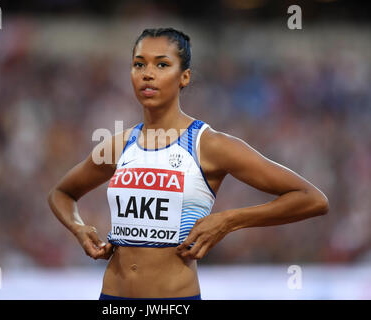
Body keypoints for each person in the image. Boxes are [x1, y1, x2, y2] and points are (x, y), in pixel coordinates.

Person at [47, 27, 329, 300]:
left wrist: (229, 220)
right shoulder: (118, 145)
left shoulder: (209, 145)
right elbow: (61, 194)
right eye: (138, 64)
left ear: (184, 77)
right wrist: (79, 228)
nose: (147, 74)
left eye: (161, 65)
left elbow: (312, 199)